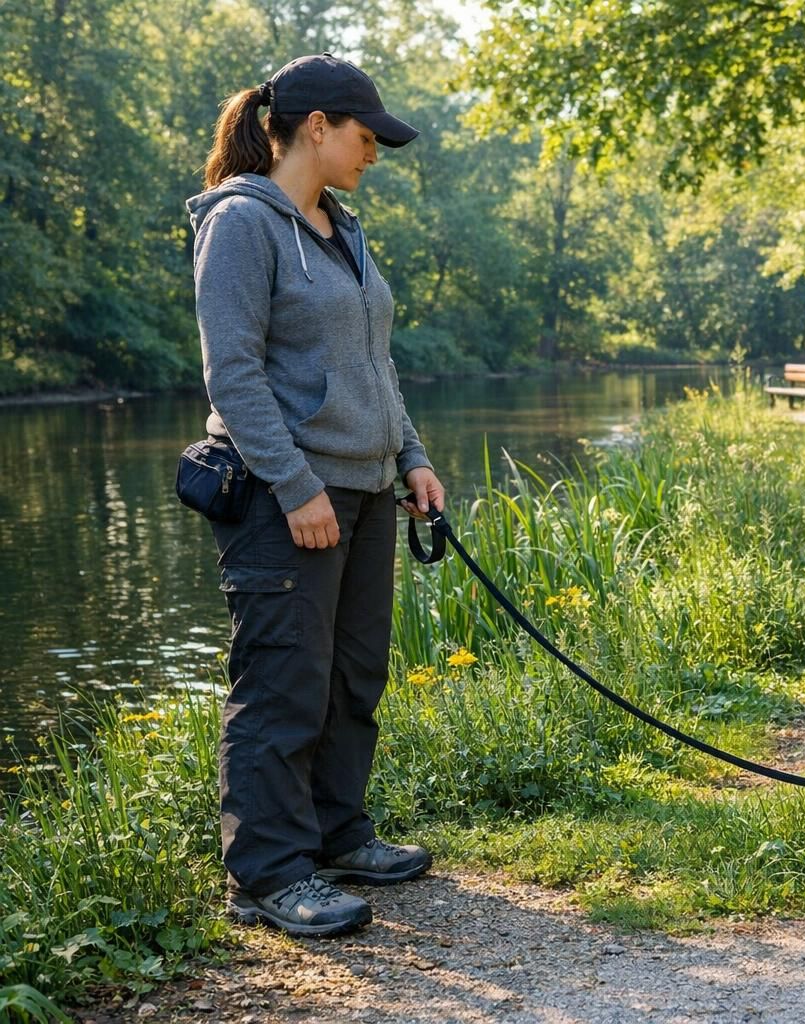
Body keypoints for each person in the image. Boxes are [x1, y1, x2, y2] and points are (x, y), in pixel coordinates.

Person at [186, 53, 444, 938]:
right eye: (367, 136)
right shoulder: (241, 225)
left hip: (368, 490)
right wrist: (295, 487)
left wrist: (410, 456)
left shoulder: (344, 228)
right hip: (283, 498)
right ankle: (266, 874)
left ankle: (337, 834)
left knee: (351, 677)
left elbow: (375, 361)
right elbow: (234, 374)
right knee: (284, 685)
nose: (375, 152)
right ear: (317, 127)